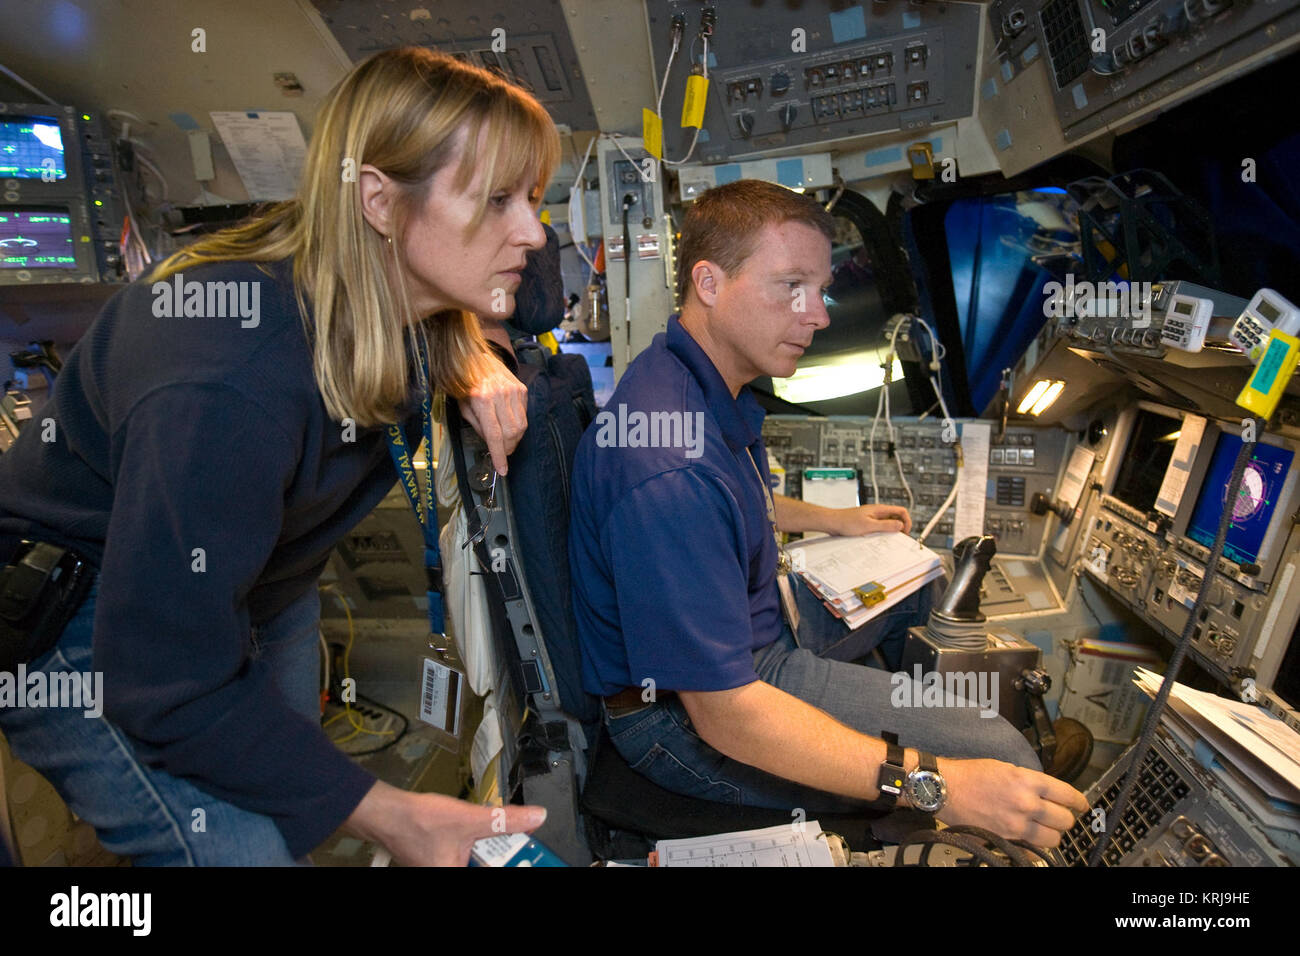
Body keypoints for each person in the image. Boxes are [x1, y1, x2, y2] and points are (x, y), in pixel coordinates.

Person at [0, 47, 562, 866]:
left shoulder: (397, 303)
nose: (534, 232)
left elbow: (500, 303)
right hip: (95, 617)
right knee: (245, 852)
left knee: (291, 805)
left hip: (262, 585)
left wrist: (471, 354)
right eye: (499, 199)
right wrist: (393, 816)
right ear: (378, 200)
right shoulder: (226, 375)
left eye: (536, 198)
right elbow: (165, 676)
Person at [568, 178, 1088, 847]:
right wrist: (942, 783)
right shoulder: (668, 466)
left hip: (756, 635)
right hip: (687, 719)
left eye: (821, 288)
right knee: (997, 751)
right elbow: (728, 718)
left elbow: (732, 503)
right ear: (709, 282)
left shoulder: (697, 380)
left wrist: (836, 520)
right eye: (792, 287)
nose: (817, 314)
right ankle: (993, 770)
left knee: (915, 581)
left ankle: (920, 721)